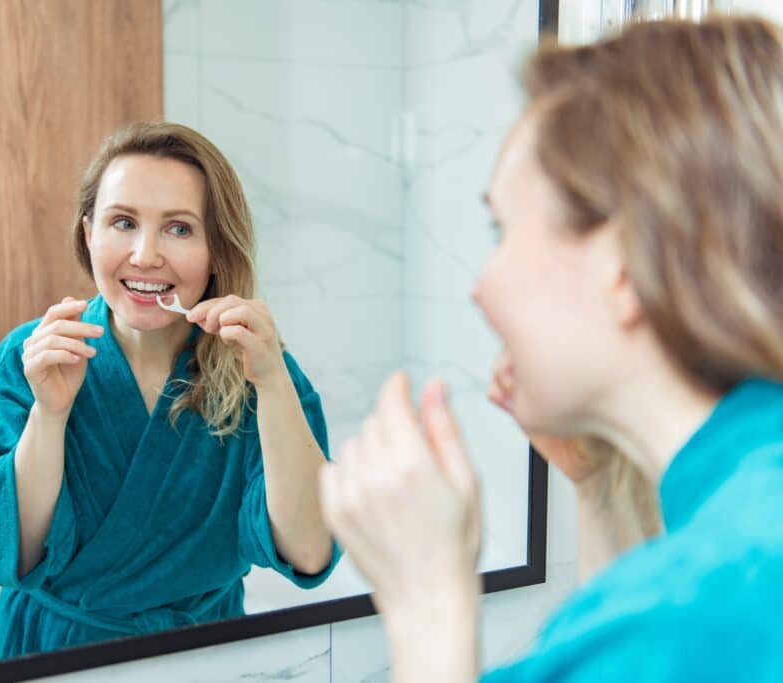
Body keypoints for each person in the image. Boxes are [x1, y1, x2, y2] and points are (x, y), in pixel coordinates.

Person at [319, 15, 783, 682]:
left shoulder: (703, 597)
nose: (481, 286)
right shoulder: (736, 520)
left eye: (501, 228)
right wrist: (596, 486)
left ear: (625, 262)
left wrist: (427, 608)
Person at [0, 122, 339, 658]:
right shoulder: (31, 358)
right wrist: (50, 414)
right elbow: (10, 556)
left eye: (179, 229)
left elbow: (312, 552)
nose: (145, 255)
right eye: (123, 222)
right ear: (89, 234)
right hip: (59, 657)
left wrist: (272, 382)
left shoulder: (262, 368)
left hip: (207, 659)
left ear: (214, 247)